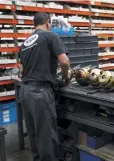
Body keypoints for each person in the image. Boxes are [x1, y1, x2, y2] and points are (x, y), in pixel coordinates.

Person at [18, 12, 70, 161]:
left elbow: (21, 70)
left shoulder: (25, 42)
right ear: (48, 23)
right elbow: (64, 62)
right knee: (45, 133)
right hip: (40, 92)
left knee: (33, 132)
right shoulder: (50, 36)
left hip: (25, 91)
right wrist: (66, 76)